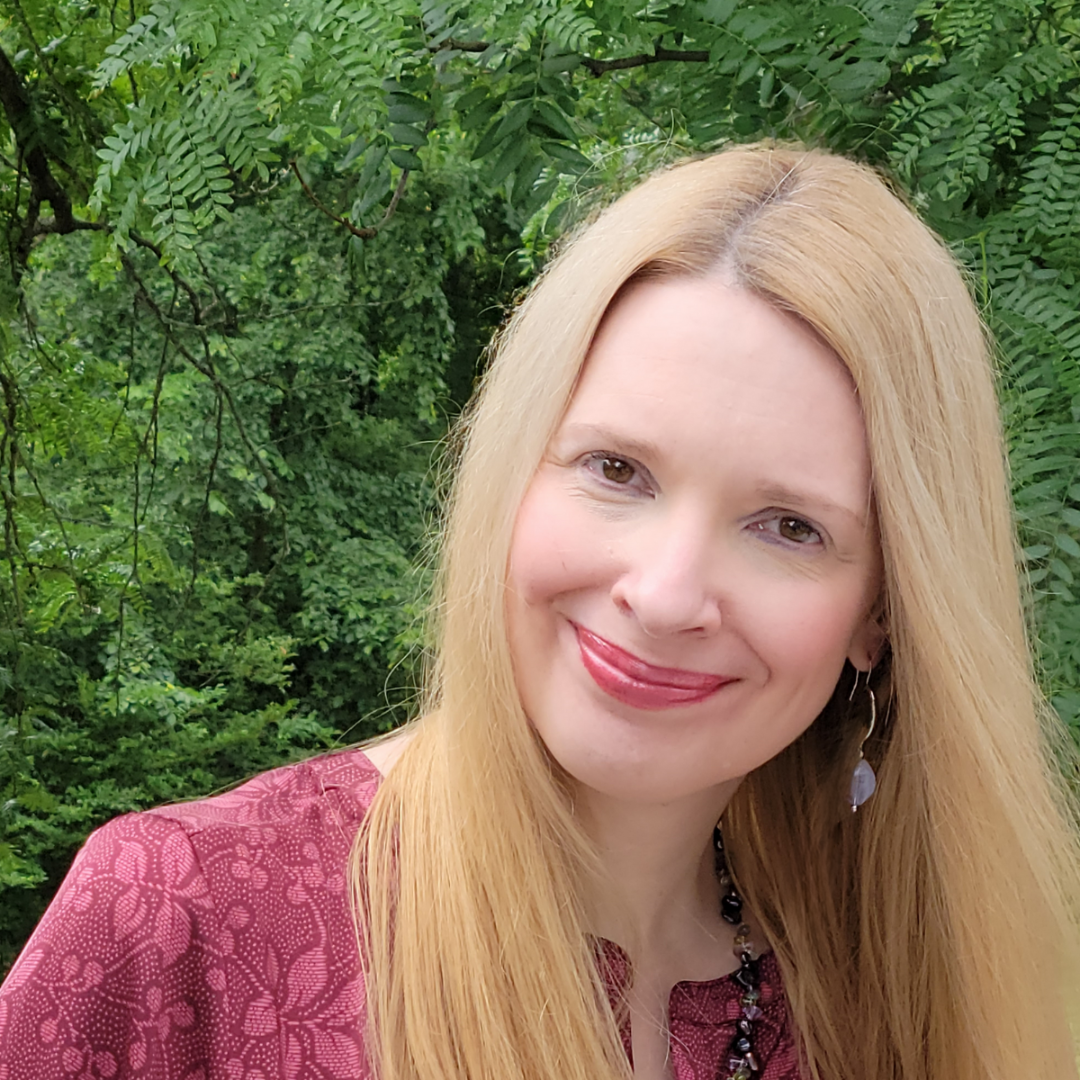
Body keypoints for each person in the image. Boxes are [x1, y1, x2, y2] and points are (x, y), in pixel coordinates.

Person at [1, 143, 1077, 1080]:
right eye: (616, 469)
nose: (664, 594)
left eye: (789, 527)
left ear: (881, 614)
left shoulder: (898, 996)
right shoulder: (178, 923)